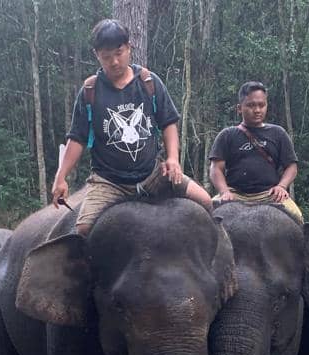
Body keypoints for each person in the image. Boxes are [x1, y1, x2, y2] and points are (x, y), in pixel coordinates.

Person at [50, 19, 213, 237]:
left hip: (152, 174)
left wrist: (173, 158)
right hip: (109, 181)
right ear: (96, 55)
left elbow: (168, 122)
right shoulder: (91, 90)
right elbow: (77, 138)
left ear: (129, 48)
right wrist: (61, 177)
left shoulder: (149, 82)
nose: (114, 62)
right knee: (83, 230)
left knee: (206, 202)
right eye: (106, 57)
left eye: (119, 53)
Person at [208, 81, 303, 224]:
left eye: (261, 105)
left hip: (269, 194)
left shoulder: (278, 133)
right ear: (239, 108)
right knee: (205, 215)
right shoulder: (227, 135)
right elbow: (216, 168)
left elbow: (291, 166)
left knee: (298, 218)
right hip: (234, 193)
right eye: (251, 105)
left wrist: (282, 186)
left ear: (266, 106)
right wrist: (224, 191)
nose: (257, 110)